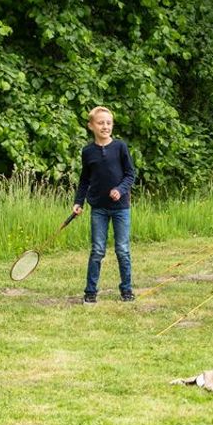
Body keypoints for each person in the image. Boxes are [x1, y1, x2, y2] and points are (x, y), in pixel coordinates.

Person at [72, 106, 136, 304]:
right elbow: (84, 180)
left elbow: (130, 174)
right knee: (98, 250)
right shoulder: (88, 151)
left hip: (120, 209)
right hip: (98, 208)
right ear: (91, 126)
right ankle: (90, 292)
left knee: (122, 250)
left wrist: (120, 189)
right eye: (100, 123)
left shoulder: (120, 147)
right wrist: (78, 202)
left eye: (108, 123)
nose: (105, 126)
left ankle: (126, 290)